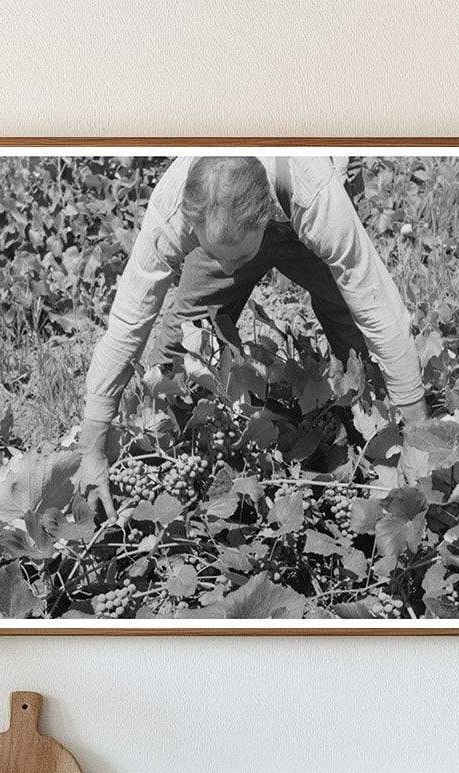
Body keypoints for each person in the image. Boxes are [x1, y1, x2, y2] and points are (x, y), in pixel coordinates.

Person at [76, 154, 429, 519]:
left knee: (351, 323)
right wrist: (92, 448)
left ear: (265, 220)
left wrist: (420, 433)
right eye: (215, 254)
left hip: (300, 198)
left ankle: (373, 444)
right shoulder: (175, 207)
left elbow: (379, 309)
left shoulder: (318, 198)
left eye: (239, 256)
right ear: (191, 219)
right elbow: (127, 322)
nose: (228, 269)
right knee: (184, 345)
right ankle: (178, 464)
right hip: (232, 225)